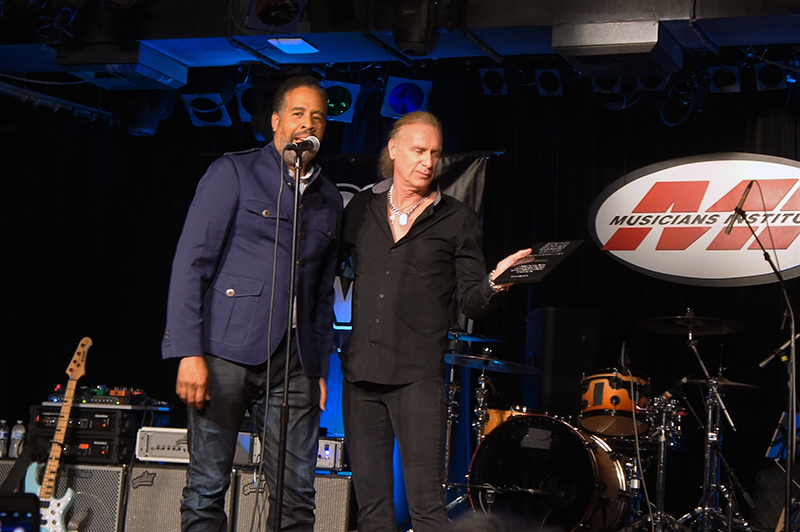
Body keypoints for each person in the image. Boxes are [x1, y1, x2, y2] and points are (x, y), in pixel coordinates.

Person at [162, 75, 342, 532]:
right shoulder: (234, 171)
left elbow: (322, 292)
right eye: (298, 114)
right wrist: (188, 351)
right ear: (277, 121)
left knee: (298, 496)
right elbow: (191, 263)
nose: (308, 124)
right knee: (206, 488)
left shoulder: (328, 198)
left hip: (296, 362)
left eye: (317, 116)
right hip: (224, 353)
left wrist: (319, 367)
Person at [339, 111, 531, 532]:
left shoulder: (456, 219)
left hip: (417, 378)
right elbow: (322, 269)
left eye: (435, 154)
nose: (428, 161)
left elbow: (472, 301)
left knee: (427, 508)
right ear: (394, 149)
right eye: (419, 150)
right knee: (372, 509)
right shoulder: (361, 208)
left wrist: (496, 282)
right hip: (361, 376)